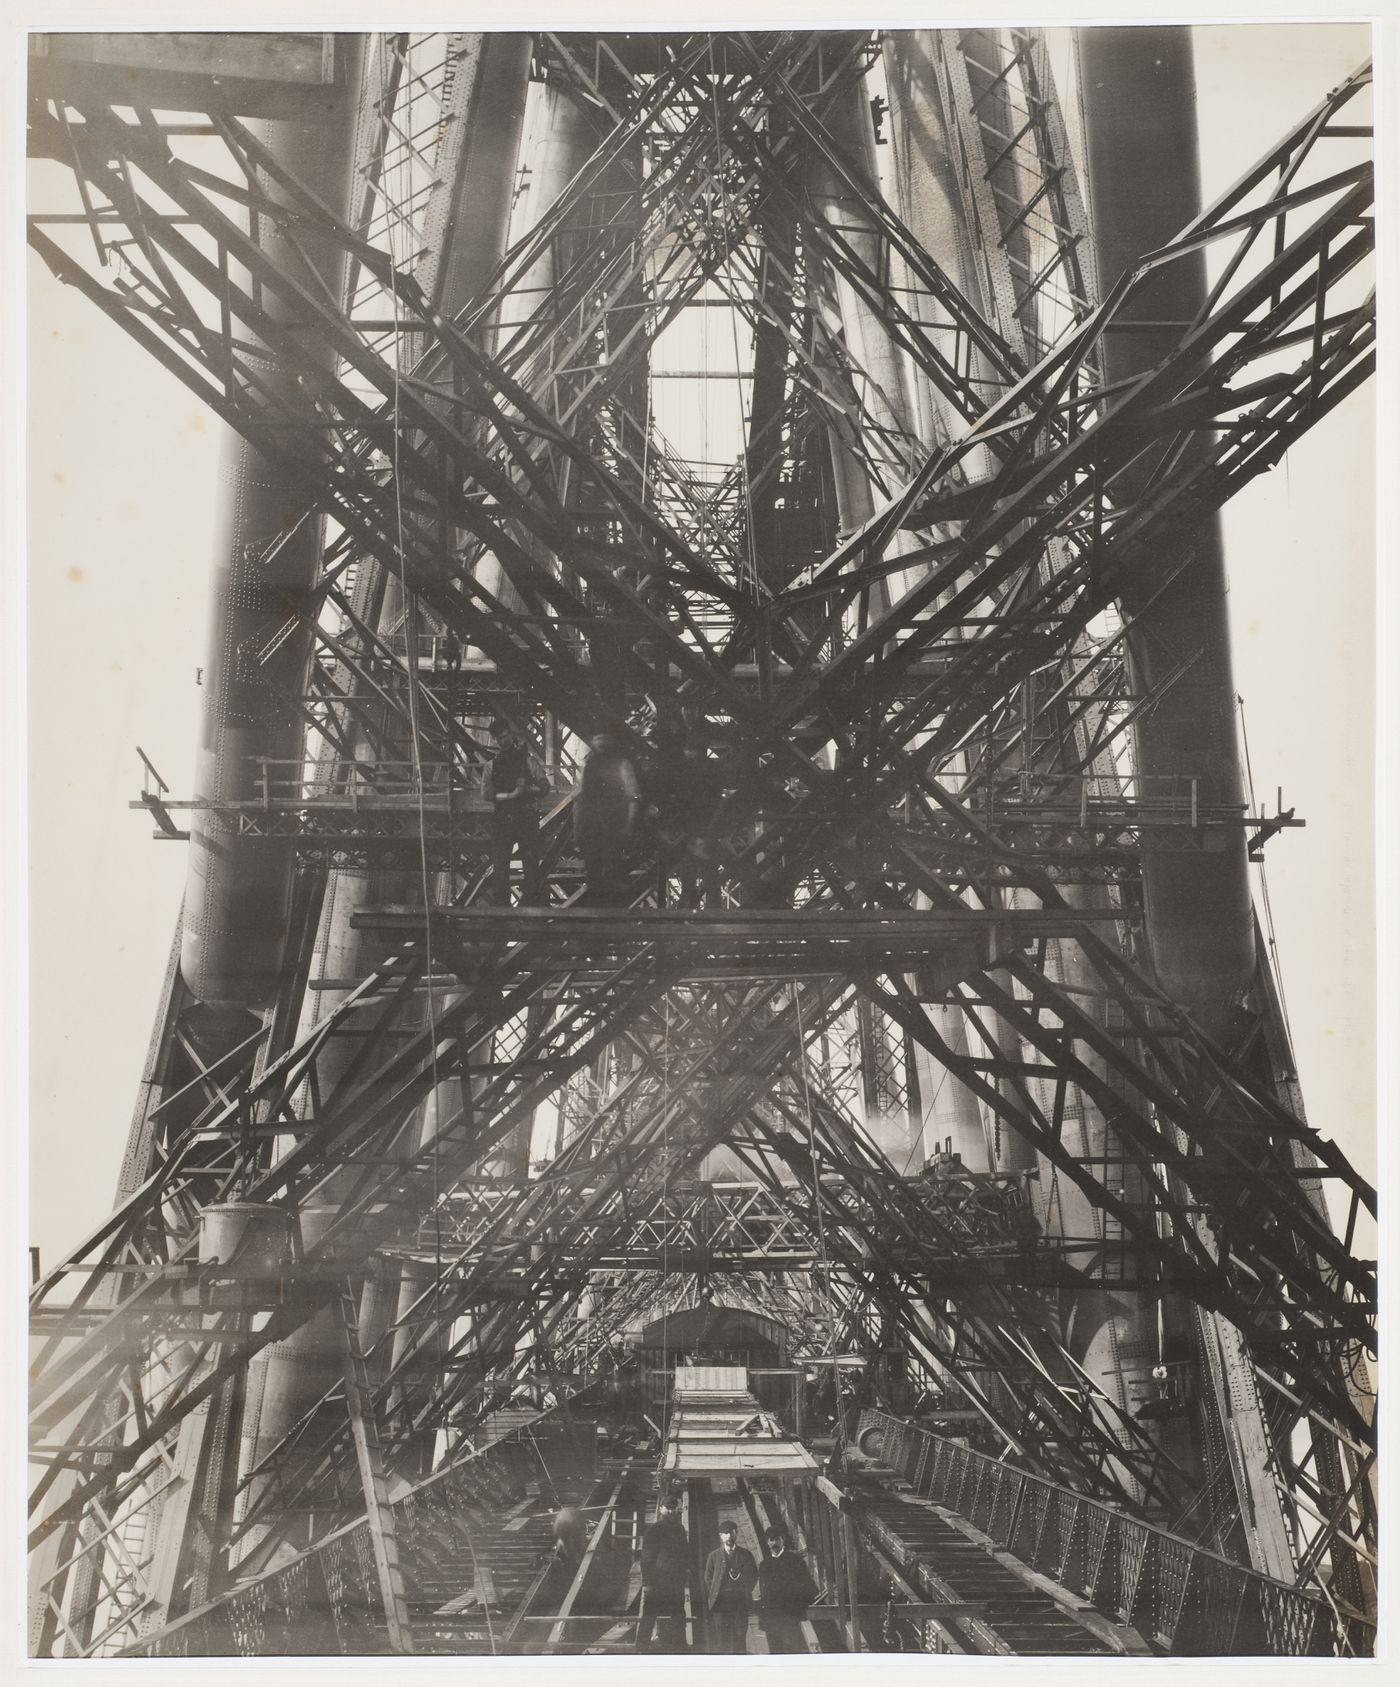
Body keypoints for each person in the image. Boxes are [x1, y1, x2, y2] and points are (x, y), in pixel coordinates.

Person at [574, 733, 640, 905]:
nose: (600, 742)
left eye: (604, 738)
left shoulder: (623, 765)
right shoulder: (588, 765)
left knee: (612, 873)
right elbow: (581, 798)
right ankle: (598, 916)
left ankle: (612, 916)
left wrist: (628, 826)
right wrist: (578, 827)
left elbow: (633, 797)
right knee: (593, 873)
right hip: (591, 826)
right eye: (597, 738)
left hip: (613, 826)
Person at [488, 720, 545, 905]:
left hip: (524, 817)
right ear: (495, 740)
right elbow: (486, 794)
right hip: (505, 817)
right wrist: (511, 795)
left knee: (529, 860)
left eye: (504, 736)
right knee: (500, 863)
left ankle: (530, 900)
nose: (502, 741)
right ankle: (501, 905)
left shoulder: (527, 760)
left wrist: (528, 789)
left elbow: (544, 787)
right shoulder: (492, 765)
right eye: (499, 739)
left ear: (511, 735)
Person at [636, 1491, 689, 1651]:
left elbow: (685, 1553)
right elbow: (646, 1559)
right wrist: (647, 1583)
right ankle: (641, 1648)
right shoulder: (654, 1530)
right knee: (649, 1616)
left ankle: (680, 1648)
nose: (671, 1512)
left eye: (674, 1508)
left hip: (675, 1583)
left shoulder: (679, 1529)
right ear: (661, 1509)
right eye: (668, 1508)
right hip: (657, 1583)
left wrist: (685, 1574)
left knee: (679, 1616)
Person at [703, 1519, 758, 1654]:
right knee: (723, 1637)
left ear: (736, 1534)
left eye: (731, 1533)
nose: (728, 1537)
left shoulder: (746, 1554)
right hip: (721, 1604)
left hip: (740, 1603)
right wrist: (716, 1592)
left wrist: (745, 1590)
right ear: (721, 1536)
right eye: (725, 1534)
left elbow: (753, 1575)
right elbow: (708, 1577)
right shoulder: (714, 1556)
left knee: (740, 1635)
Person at [757, 1529, 815, 1653]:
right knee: (775, 1650)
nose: (774, 1543)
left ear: (783, 1540)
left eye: (777, 1539)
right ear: (767, 1543)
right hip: (771, 1617)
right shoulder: (764, 1565)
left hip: (790, 1616)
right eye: (771, 1540)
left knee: (792, 1649)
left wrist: (798, 1607)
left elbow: (810, 1588)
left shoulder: (795, 1561)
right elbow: (764, 1591)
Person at [552, 1493, 587, 1565]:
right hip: (568, 1527)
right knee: (575, 1543)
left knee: (567, 1543)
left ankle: (570, 1559)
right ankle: (574, 1559)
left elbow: (556, 1531)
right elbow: (582, 1528)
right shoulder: (577, 1512)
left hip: (562, 1527)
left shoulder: (562, 1513)